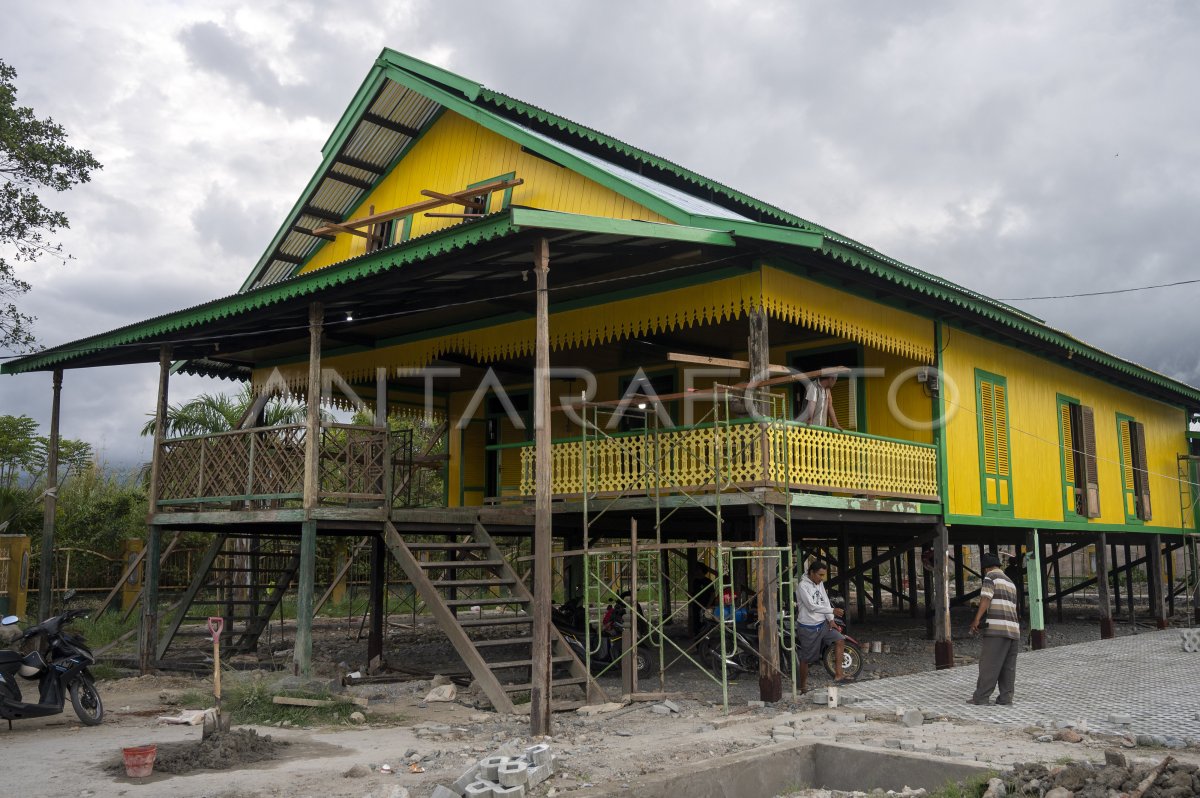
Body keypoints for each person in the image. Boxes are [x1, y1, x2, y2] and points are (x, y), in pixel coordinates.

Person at [967, 552, 1020, 705]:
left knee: (989, 664)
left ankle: (981, 697)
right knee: (1008, 668)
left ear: (986, 568)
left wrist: (976, 620)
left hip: (997, 629)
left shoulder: (990, 577)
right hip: (1013, 630)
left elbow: (986, 598)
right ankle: (1005, 698)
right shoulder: (1010, 582)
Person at [796, 560, 847, 692]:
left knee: (840, 640)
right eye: (820, 575)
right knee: (806, 659)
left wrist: (831, 620)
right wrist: (832, 611)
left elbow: (825, 601)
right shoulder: (802, 586)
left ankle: (839, 674)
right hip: (808, 627)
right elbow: (811, 607)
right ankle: (802, 687)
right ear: (811, 573)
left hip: (823, 624)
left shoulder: (820, 584)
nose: (822, 578)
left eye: (823, 575)